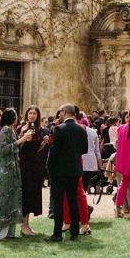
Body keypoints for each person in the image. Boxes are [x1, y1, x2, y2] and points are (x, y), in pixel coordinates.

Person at [47, 103, 87, 242]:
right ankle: (74, 232)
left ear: (64, 113)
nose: (59, 115)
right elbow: (84, 150)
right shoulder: (81, 129)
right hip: (74, 169)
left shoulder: (59, 129)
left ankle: (57, 233)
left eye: (60, 112)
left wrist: (49, 167)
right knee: (73, 200)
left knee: (58, 202)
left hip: (59, 171)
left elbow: (54, 151)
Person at [0, 108, 33, 240]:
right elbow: (4, 149)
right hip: (6, 170)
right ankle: (0, 232)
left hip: (13, 169)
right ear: (12, 118)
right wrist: (22, 140)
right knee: (5, 198)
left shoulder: (11, 130)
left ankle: (10, 232)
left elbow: (14, 148)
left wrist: (23, 139)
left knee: (13, 198)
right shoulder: (5, 130)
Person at [18, 105, 44, 236]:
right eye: (30, 113)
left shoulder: (40, 130)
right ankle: (23, 225)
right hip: (24, 164)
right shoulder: (21, 128)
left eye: (34, 113)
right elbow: (18, 146)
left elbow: (37, 149)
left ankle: (27, 224)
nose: (32, 115)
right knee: (25, 193)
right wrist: (23, 137)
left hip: (35, 164)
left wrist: (44, 143)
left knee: (33, 193)